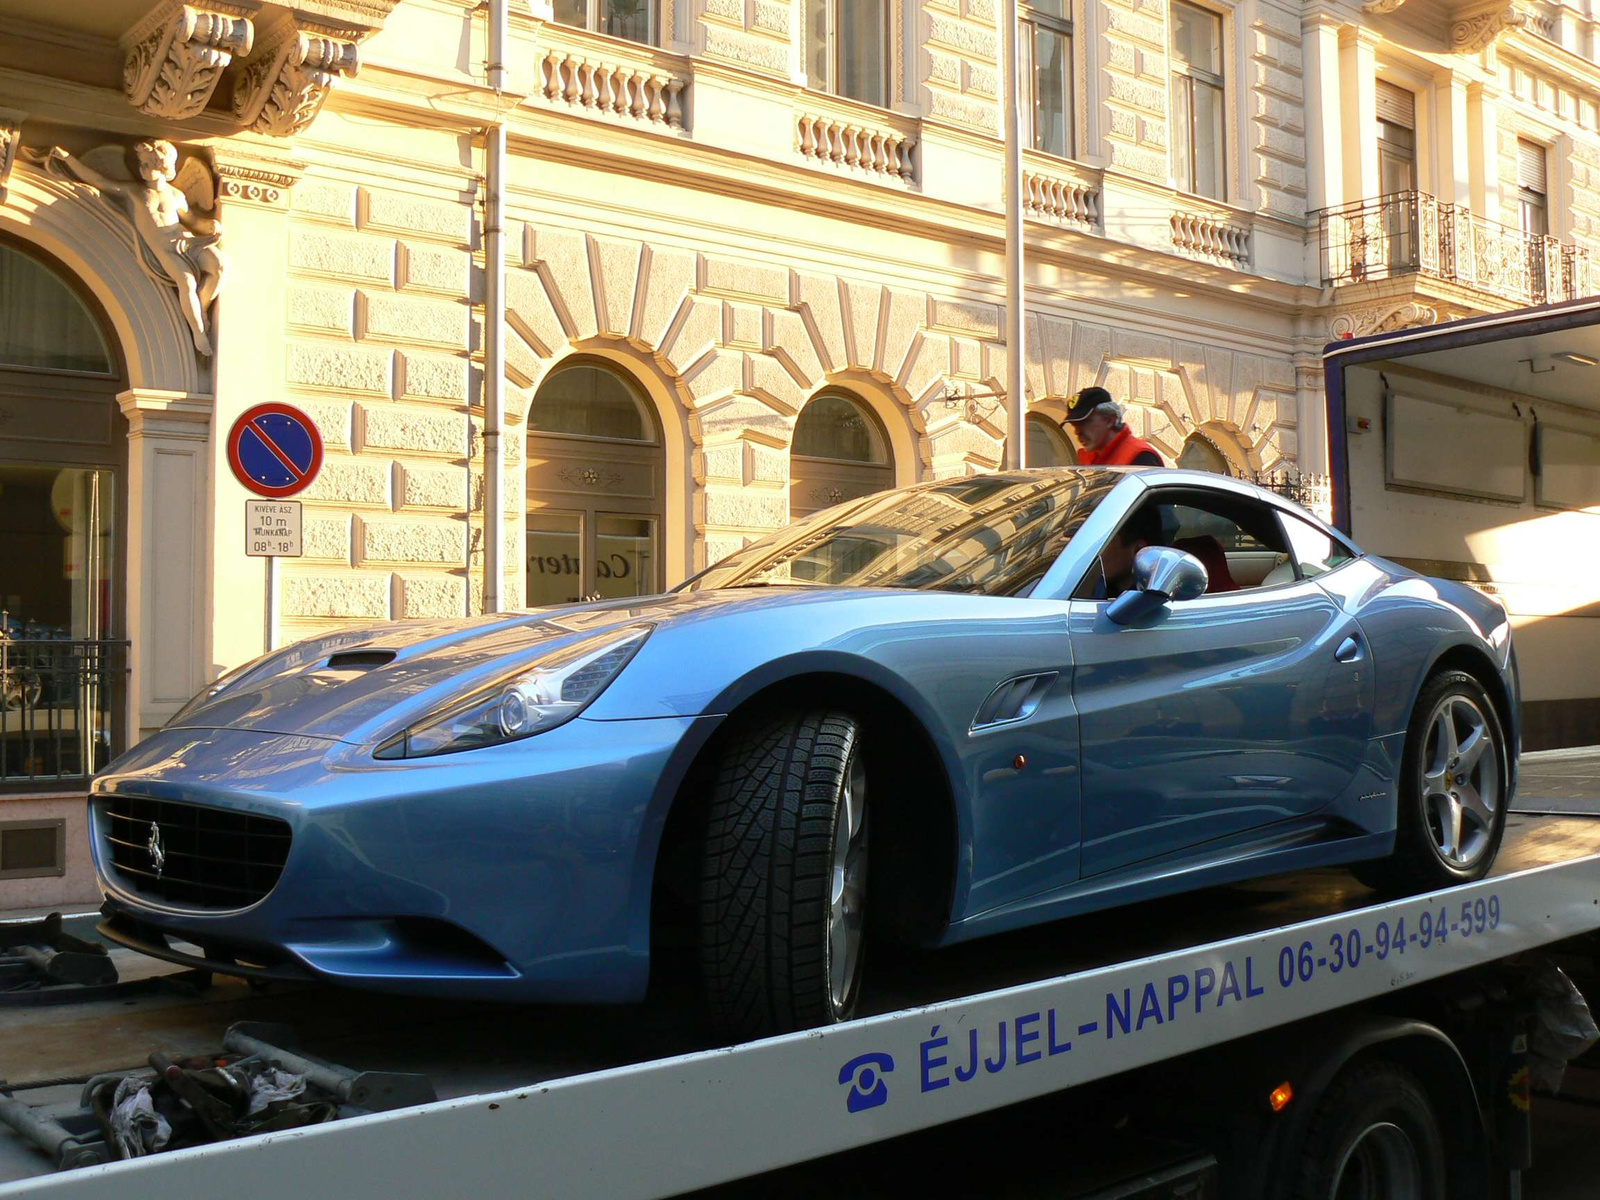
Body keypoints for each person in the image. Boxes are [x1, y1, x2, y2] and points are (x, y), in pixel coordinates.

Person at [1063, 387, 1165, 466]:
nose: (1077, 432)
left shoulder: (1140, 457)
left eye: (1084, 423)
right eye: (1074, 425)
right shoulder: (1087, 459)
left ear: (1109, 420)